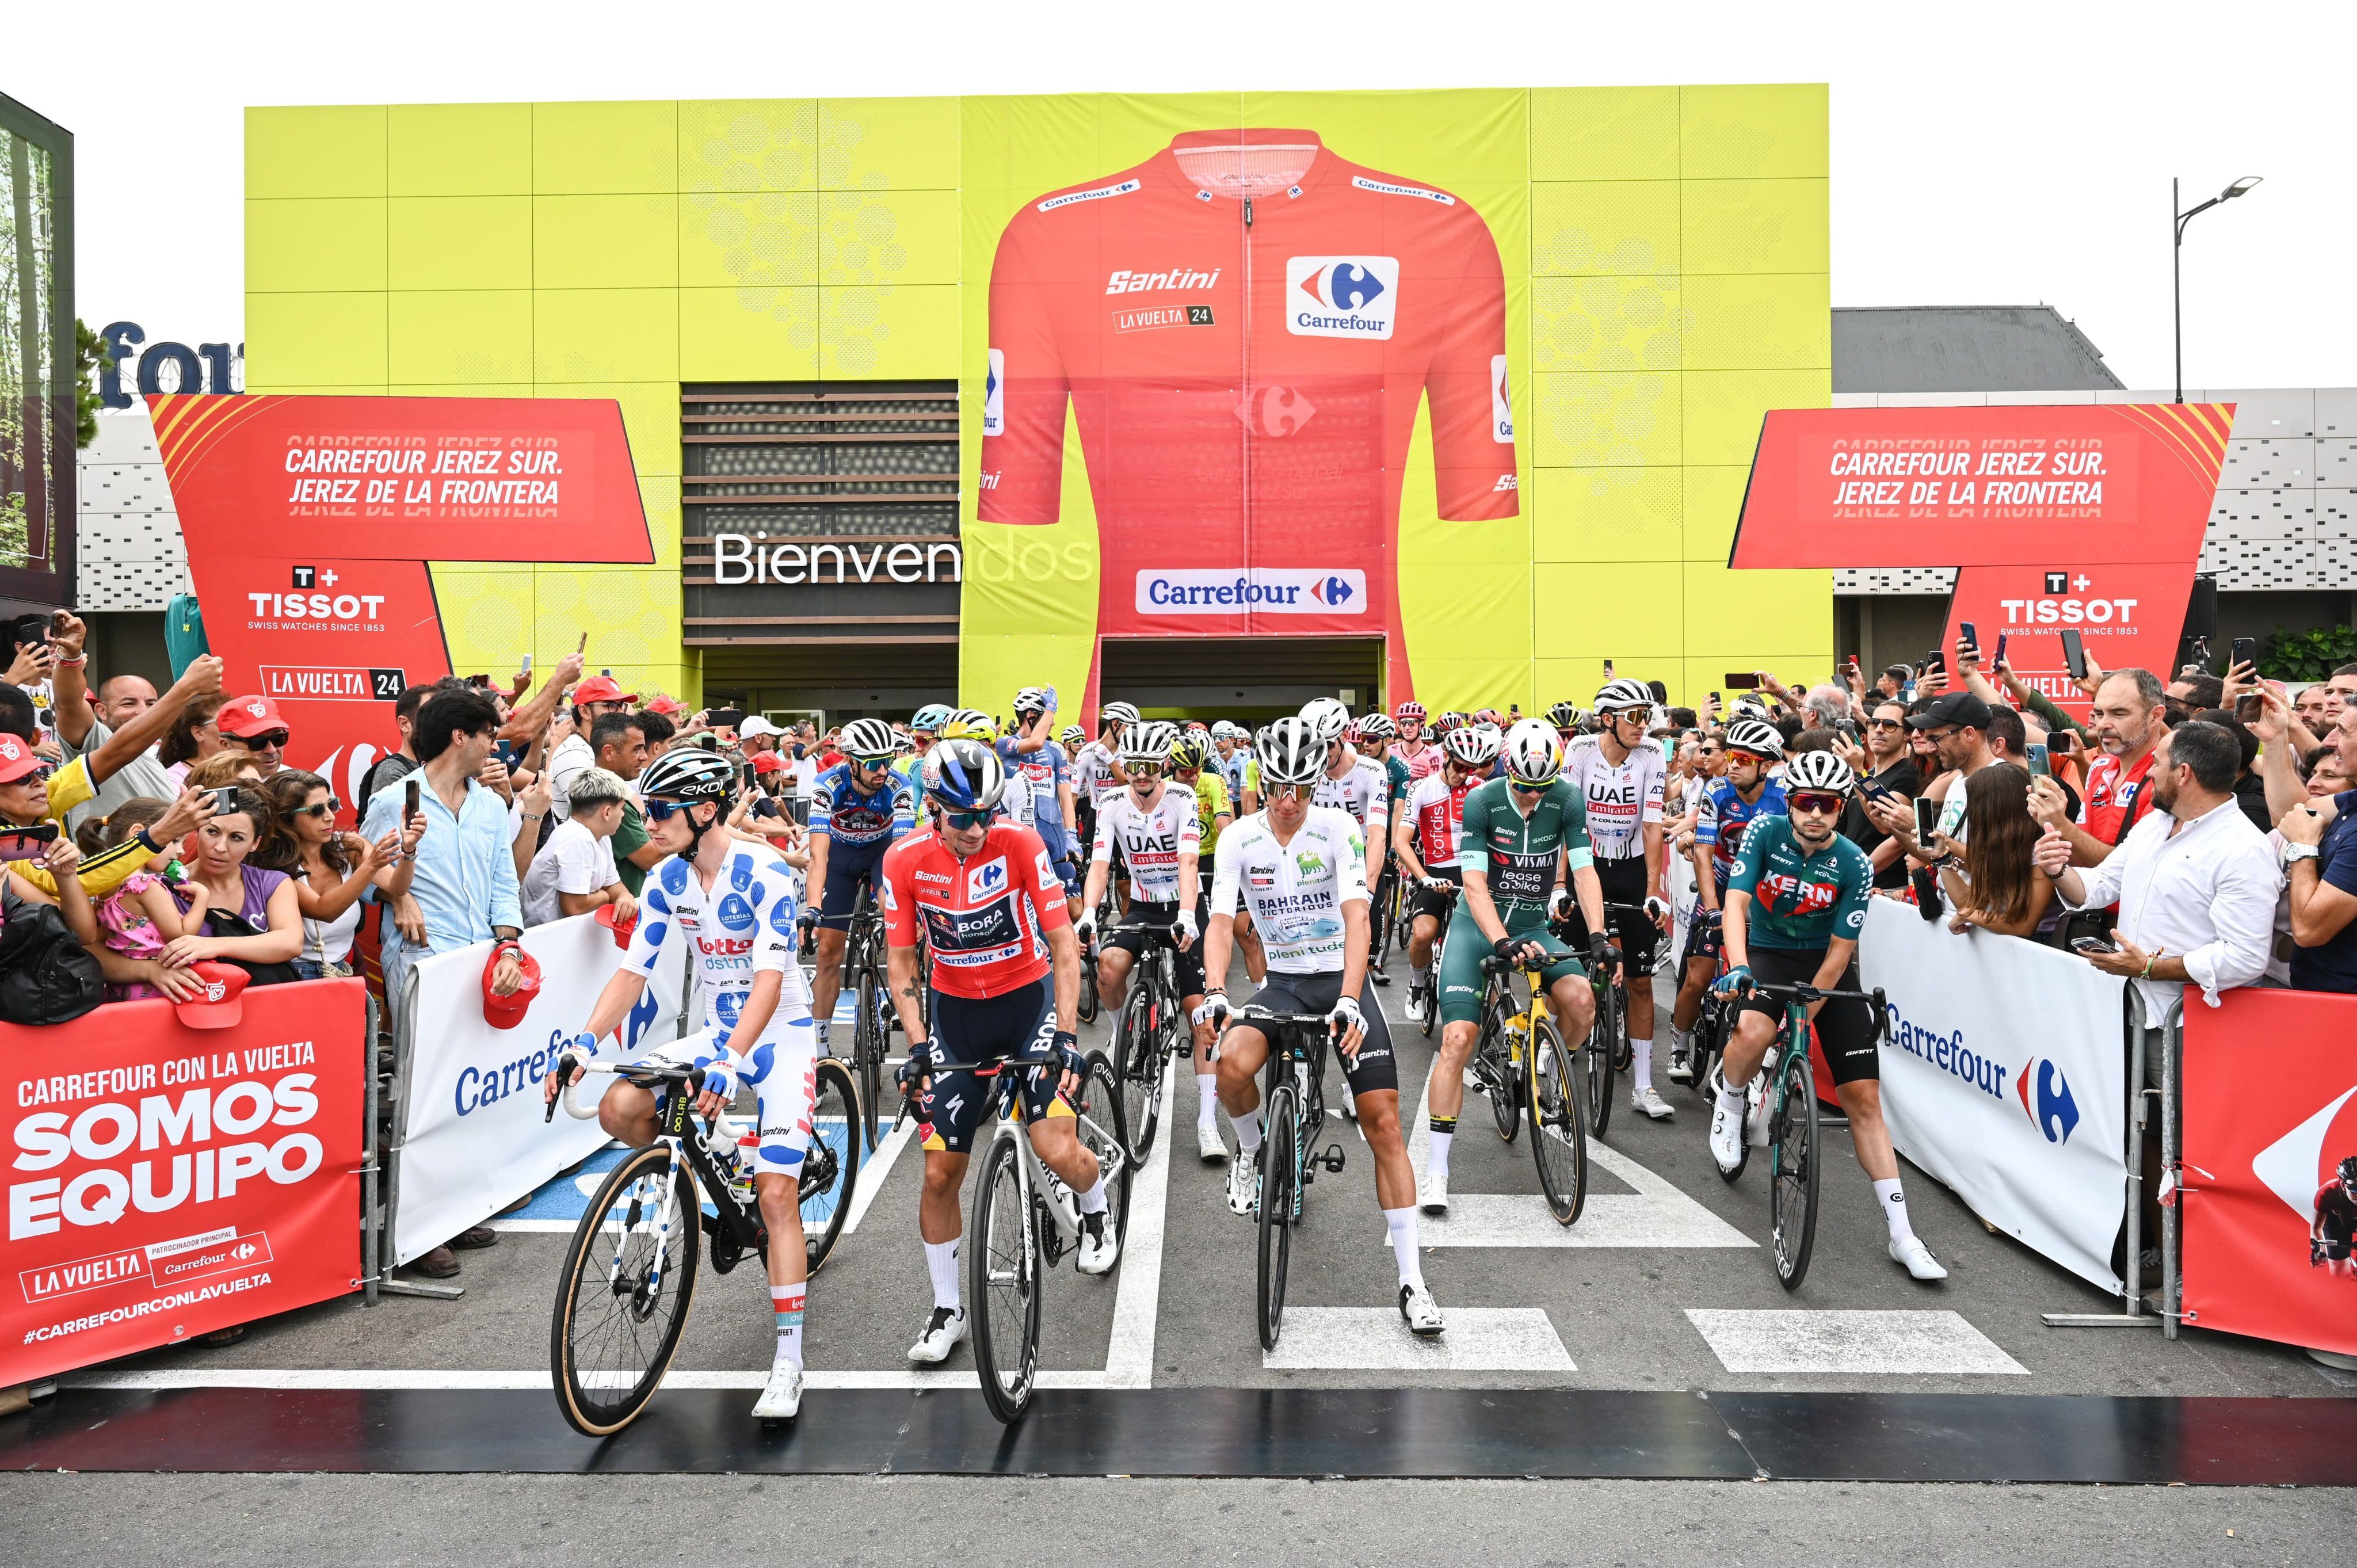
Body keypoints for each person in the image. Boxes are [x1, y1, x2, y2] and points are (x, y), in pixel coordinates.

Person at [542, 746, 821, 1420]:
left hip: (777, 1031)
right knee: (620, 1106)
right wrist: (584, 1042)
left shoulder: (763, 874)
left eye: (661, 812)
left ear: (703, 810)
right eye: (647, 810)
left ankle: (789, 1360)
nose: (650, 823)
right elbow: (633, 972)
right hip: (716, 1030)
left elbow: (768, 980)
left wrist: (732, 1059)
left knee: (778, 1197)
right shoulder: (667, 879)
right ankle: (719, 1158)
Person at [1196, 717, 1444, 1336]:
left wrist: (1353, 999)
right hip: (1280, 980)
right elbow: (1222, 923)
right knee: (1228, 1063)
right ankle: (1253, 1152)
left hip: (1338, 979)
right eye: (1278, 786)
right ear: (1262, 779)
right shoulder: (1237, 839)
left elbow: (1358, 920)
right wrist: (1217, 992)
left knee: (1384, 1121)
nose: (1288, 801)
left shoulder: (1337, 829)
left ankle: (1412, 1280)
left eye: (1302, 788)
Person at [883, 739, 1115, 1367]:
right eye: (963, 817)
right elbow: (902, 960)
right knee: (937, 1174)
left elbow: (1063, 944)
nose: (977, 828)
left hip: (1027, 1006)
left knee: (1056, 1148)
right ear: (932, 808)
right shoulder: (905, 860)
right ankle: (947, 1309)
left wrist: (1065, 1034)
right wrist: (919, 1044)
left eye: (986, 812)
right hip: (956, 1017)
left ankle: (1096, 1211)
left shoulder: (1019, 844)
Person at [1707, 749, 1947, 1280]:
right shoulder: (1764, 833)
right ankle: (1730, 1095)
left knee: (1864, 1099)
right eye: (1807, 803)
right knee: (1752, 1029)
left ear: (1841, 810)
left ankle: (1904, 1234)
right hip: (1768, 951)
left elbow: (1841, 954)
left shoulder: (1854, 863)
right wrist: (1741, 967)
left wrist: (1807, 1014)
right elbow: (1737, 906)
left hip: (1827, 964)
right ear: (1791, 803)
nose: (1817, 814)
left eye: (1830, 805)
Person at [362, 686, 526, 1280]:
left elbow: (503, 881)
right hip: (419, 965)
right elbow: (364, 873)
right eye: (490, 733)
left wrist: (509, 942)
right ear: (463, 735)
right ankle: (416, 1230)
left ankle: (452, 1211)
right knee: (420, 1098)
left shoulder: (487, 805)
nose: (496, 744)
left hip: (479, 962)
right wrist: (399, 893)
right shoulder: (392, 800)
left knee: (469, 1091)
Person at [1424, 718, 1614, 1216]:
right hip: (1476, 925)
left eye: (1541, 788)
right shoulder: (1482, 801)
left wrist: (1597, 934)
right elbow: (1474, 883)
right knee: (1458, 1039)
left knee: (1581, 1000)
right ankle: (1436, 1170)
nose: (1533, 798)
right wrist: (1500, 940)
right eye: (1524, 788)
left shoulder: (1567, 799)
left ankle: (1548, 1063)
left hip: (1533, 925)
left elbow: (1585, 869)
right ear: (1507, 772)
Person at [2033, 723, 2279, 1018]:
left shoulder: (2245, 850)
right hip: (2130, 1008)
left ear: (2184, 773)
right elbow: (2099, 885)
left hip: (2191, 1023)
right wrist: (2057, 869)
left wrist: (2150, 968)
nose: (2149, 773)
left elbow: (2246, 958)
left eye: (2157, 763)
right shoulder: (2155, 823)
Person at [1075, 721, 1220, 1157]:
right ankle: (1122, 1035)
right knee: (1110, 967)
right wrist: (1086, 912)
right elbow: (1100, 865)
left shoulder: (1182, 798)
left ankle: (1208, 1122)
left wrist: (1189, 917)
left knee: (1200, 1014)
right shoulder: (1112, 802)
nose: (1141, 774)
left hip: (1183, 903)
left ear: (1163, 766)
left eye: (1150, 767)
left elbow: (1189, 861)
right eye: (1134, 765)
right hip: (1140, 904)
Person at [1558, 678, 1677, 1119]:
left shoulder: (1651, 755)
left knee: (1642, 980)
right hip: (1585, 863)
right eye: (1636, 717)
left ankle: (1643, 1086)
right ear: (1608, 719)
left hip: (1629, 868)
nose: (1644, 725)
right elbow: (1567, 821)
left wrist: (1653, 892)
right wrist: (1558, 885)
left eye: (1648, 716)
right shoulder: (1580, 751)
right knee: (1565, 970)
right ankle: (1557, 1054)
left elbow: (1651, 824)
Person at [1668, 718, 1787, 1084]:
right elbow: (1703, 853)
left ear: (1765, 766)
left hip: (1763, 893)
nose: (1733, 763)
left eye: (1744, 758)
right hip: (1720, 886)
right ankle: (1680, 1045)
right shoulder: (1717, 791)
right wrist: (1714, 908)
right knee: (1698, 976)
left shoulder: (1782, 798)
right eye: (1731, 755)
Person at [803, 717, 917, 1050]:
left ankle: (890, 968)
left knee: (892, 906)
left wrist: (907, 911)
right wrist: (813, 908)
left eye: (888, 760)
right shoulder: (827, 785)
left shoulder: (900, 787)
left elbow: (901, 855)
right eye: (873, 763)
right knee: (827, 954)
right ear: (851, 762)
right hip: (839, 857)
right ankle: (820, 1050)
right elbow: (819, 857)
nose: (883, 770)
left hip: (883, 854)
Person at [260, 769, 413, 979]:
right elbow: (324, 910)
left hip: (344, 970)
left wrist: (409, 850)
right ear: (286, 819)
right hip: (294, 976)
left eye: (332, 805)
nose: (330, 817)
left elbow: (397, 886)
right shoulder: (274, 868)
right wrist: (371, 866)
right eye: (316, 811)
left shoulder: (349, 845)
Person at [1393, 724, 1494, 1024]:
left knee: (1486, 940)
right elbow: (1401, 841)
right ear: (1446, 757)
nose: (1464, 774)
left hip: (1473, 871)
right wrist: (1423, 877)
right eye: (1460, 766)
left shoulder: (1481, 789)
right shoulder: (1421, 788)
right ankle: (1417, 984)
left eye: (1471, 768)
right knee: (1423, 934)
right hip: (1435, 871)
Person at [43, 612, 172, 833]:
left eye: (152, 704)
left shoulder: (155, 761)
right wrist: (70, 654)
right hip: (107, 866)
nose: (143, 711)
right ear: (101, 711)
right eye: (129, 703)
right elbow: (69, 704)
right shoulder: (95, 742)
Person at [2277, 699, 2357, 991]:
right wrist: (2274, 739)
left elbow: (2309, 931)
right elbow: (2292, 812)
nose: (2330, 741)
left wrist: (2303, 847)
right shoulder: (2353, 800)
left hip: (2343, 1006)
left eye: (2343, 731)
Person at [1929, 762, 2052, 938]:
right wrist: (1941, 858)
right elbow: (1972, 905)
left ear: (1995, 809)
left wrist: (1969, 915)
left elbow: (2022, 927)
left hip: (2040, 945)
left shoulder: (2042, 849)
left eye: (1974, 803)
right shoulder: (1996, 844)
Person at [522, 766, 639, 928]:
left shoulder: (600, 836)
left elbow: (612, 884)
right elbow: (574, 906)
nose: (623, 814)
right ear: (607, 812)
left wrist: (625, 896)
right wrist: (605, 897)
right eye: (622, 808)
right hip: (545, 936)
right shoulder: (577, 839)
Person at [1840, 697, 1921, 891]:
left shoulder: (1908, 773)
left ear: (1906, 735)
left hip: (1884, 888)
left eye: (1890, 725)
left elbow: (1887, 825)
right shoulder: (1871, 774)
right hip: (1851, 879)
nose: (1879, 730)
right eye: (1874, 723)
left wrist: (1858, 772)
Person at [548, 673, 635, 820]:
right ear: (585, 711)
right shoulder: (574, 753)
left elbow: (632, 801)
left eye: (621, 705)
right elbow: (595, 815)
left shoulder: (594, 749)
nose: (620, 712)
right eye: (611, 705)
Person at [215, 695, 293, 776]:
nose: (272, 750)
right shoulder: (210, 785)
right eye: (257, 742)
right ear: (226, 745)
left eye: (278, 739)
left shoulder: (293, 781)